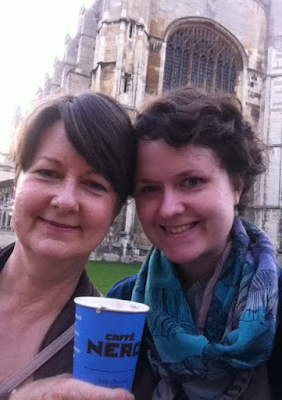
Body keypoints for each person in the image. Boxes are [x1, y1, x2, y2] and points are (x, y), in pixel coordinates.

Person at [108, 87, 282, 399]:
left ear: (237, 187)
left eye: (192, 182)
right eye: (149, 188)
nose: (169, 208)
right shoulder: (121, 305)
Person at [0, 92, 135, 400]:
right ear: (17, 181)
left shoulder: (113, 348)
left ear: (115, 211)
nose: (65, 201)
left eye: (94, 185)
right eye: (48, 173)